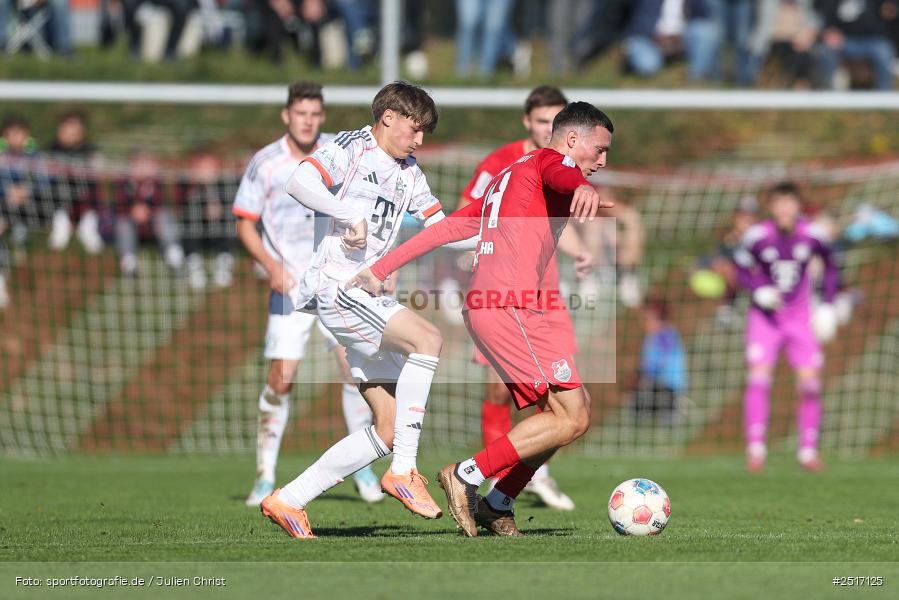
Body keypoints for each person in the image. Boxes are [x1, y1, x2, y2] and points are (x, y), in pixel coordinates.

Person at [355, 101, 614, 537]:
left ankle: (498, 502)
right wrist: (580, 186)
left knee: (572, 413)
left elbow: (445, 229)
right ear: (572, 140)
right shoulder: (552, 162)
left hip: (502, 307)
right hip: (509, 308)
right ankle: (467, 476)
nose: (603, 161)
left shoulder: (508, 177)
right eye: (600, 149)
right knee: (570, 416)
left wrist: (380, 268)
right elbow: (562, 171)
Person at [259, 81, 459, 539]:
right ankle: (404, 472)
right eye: (415, 129)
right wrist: (347, 214)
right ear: (388, 117)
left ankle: (288, 499)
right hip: (340, 287)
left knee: (387, 428)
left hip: (365, 294)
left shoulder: (409, 171)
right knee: (428, 340)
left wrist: (496, 231)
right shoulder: (351, 147)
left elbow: (440, 227)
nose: (420, 141)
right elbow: (299, 181)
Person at [232, 81, 383, 507]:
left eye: (315, 114)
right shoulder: (266, 163)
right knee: (282, 378)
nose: (308, 121)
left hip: (336, 282)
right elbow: (245, 222)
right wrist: (271, 265)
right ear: (287, 115)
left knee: (355, 373)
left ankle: (363, 468)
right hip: (290, 286)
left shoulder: (338, 151)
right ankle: (264, 475)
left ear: (322, 116)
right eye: (301, 113)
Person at [457, 85, 596, 511]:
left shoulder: (562, 166)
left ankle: (507, 487)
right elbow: (471, 207)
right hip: (506, 300)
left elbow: (554, 220)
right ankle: (490, 478)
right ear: (528, 122)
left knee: (572, 406)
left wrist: (578, 252)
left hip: (547, 300)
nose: (546, 128)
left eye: (554, 121)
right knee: (508, 395)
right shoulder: (505, 162)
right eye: (540, 121)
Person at [733, 181, 839, 473]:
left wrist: (828, 304)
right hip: (765, 319)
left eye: (789, 203)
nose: (784, 209)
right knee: (758, 380)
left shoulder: (813, 234)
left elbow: (831, 267)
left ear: (798, 206)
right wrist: (757, 289)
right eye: (778, 203)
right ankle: (755, 448)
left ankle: (808, 451)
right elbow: (740, 265)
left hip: (801, 317)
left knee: (810, 385)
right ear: (771, 206)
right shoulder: (757, 236)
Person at [112, 150, 185, 277]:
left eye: (146, 164)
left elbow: (161, 202)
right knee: (122, 223)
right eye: (138, 164)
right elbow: (119, 205)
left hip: (153, 224)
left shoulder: (156, 182)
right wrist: (132, 211)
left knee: (163, 216)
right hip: (132, 224)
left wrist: (149, 212)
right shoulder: (122, 183)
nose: (142, 168)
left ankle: (174, 256)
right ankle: (129, 263)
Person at [47, 110, 105, 254]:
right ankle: (61, 224)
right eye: (65, 128)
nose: (69, 133)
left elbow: (99, 168)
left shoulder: (89, 150)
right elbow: (47, 170)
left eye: (74, 129)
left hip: (83, 195)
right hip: (60, 196)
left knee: (92, 194)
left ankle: (87, 226)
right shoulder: (53, 149)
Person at [179, 149, 234, 290]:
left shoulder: (225, 184)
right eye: (202, 167)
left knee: (229, 217)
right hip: (195, 234)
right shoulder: (186, 184)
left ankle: (224, 261)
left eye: (210, 166)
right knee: (191, 218)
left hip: (219, 232)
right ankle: (194, 265)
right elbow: (182, 205)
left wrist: (216, 204)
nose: (207, 171)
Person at [815, 0, 898, 90]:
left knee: (883, 50)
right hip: (844, 41)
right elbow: (827, 20)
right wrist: (830, 32)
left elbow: (889, 10)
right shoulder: (832, 2)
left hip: (873, 40)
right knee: (825, 50)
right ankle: (829, 92)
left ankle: (885, 94)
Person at [632, 299, 687, 423]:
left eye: (649, 318)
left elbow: (658, 364)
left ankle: (673, 407)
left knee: (639, 399)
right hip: (658, 384)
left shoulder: (664, 335)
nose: (645, 322)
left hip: (668, 387)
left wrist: (642, 378)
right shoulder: (653, 337)